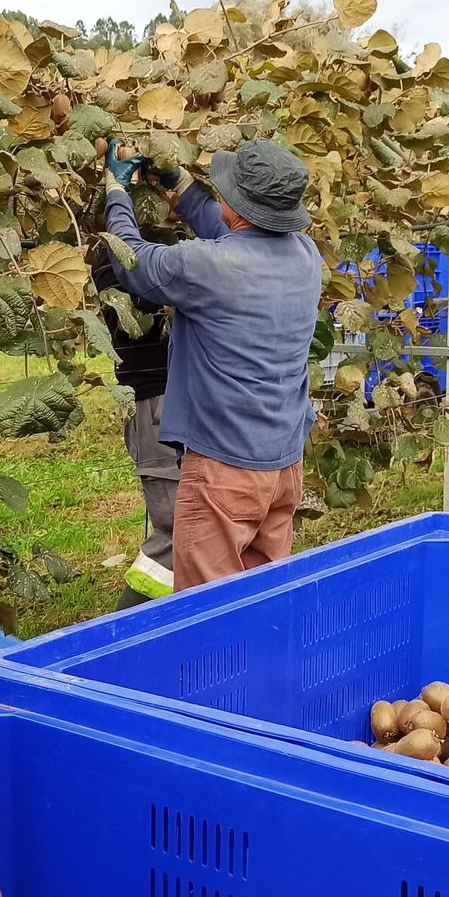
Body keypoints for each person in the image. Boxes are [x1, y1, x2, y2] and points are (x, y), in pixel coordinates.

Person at [102, 139, 322, 591]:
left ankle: (212, 666)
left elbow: (132, 261)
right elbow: (235, 231)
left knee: (209, 608)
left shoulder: (205, 266)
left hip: (226, 469)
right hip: (282, 465)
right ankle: (265, 663)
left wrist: (116, 192)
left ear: (237, 204)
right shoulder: (306, 255)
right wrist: (180, 186)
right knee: (259, 594)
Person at [92, 147, 179, 607]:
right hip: (157, 405)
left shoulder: (180, 252)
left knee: (191, 525)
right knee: (173, 530)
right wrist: (119, 194)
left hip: (179, 405)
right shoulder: (111, 258)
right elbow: (142, 283)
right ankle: (129, 620)